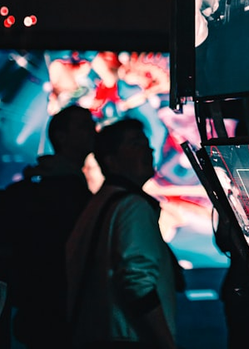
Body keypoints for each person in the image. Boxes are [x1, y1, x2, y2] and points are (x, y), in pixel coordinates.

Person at [0, 104, 96, 349]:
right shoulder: (59, 193)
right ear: (61, 136)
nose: (92, 131)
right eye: (83, 126)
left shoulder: (56, 187)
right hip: (54, 310)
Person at [65, 118, 183, 349]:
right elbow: (137, 282)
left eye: (146, 142)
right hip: (128, 339)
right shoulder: (132, 206)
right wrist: (167, 343)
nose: (147, 149)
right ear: (111, 160)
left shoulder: (98, 204)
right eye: (135, 143)